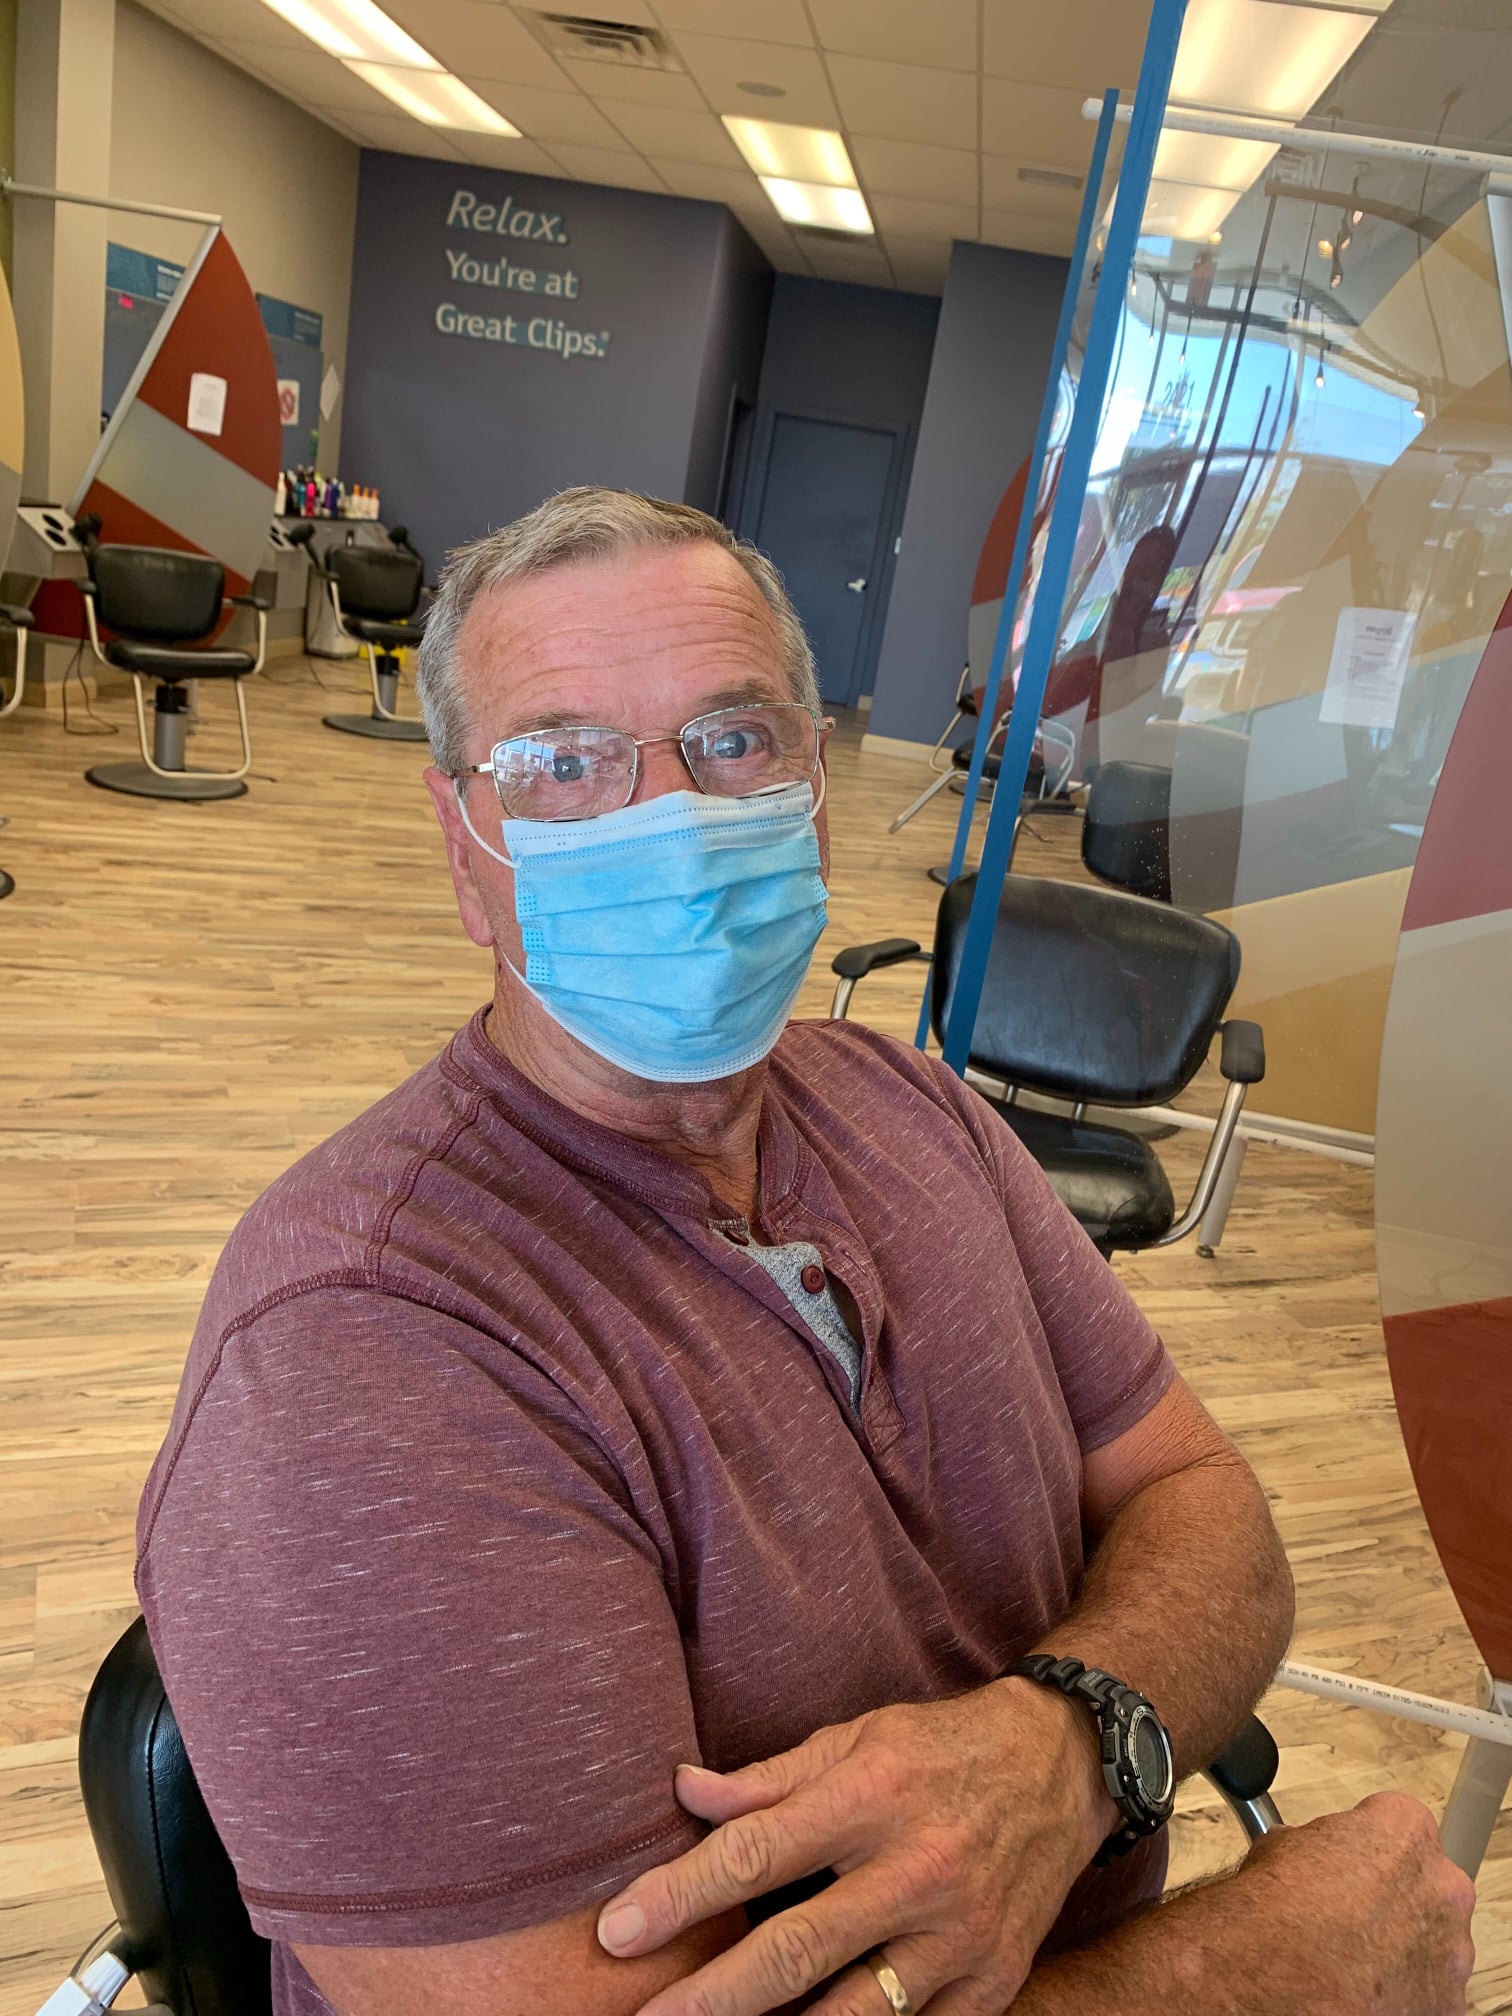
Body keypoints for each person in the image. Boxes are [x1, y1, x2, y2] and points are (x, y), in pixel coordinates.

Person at [134, 489, 1474, 2016]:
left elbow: (1209, 1511)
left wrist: (1066, 1746)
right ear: (464, 846)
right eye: (565, 763)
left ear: (815, 789)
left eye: (733, 738)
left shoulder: (914, 1108)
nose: (670, 820)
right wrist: (1250, 1978)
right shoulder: (364, 1351)